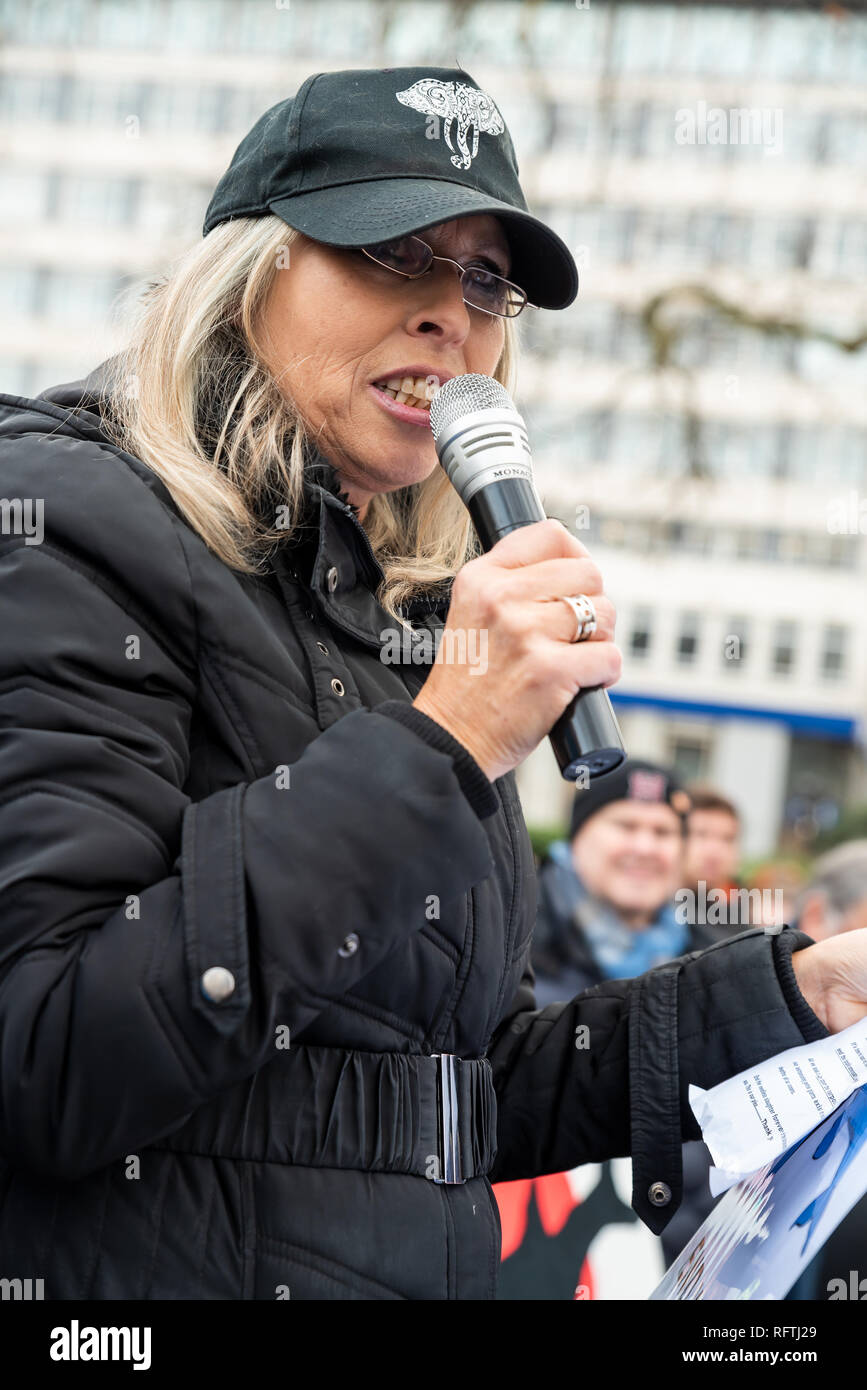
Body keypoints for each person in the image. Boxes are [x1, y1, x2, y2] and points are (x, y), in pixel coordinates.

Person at [1, 64, 866, 1303]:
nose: (450, 317)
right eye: (396, 252)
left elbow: (462, 1091)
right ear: (249, 275)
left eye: (486, 282)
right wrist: (443, 740)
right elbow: (46, 1054)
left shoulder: (404, 616)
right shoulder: (68, 530)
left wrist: (785, 994)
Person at [496, 761, 719, 1296]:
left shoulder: (720, 974)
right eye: (624, 824)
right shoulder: (506, 957)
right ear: (579, 834)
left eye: (663, 831)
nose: (644, 846)